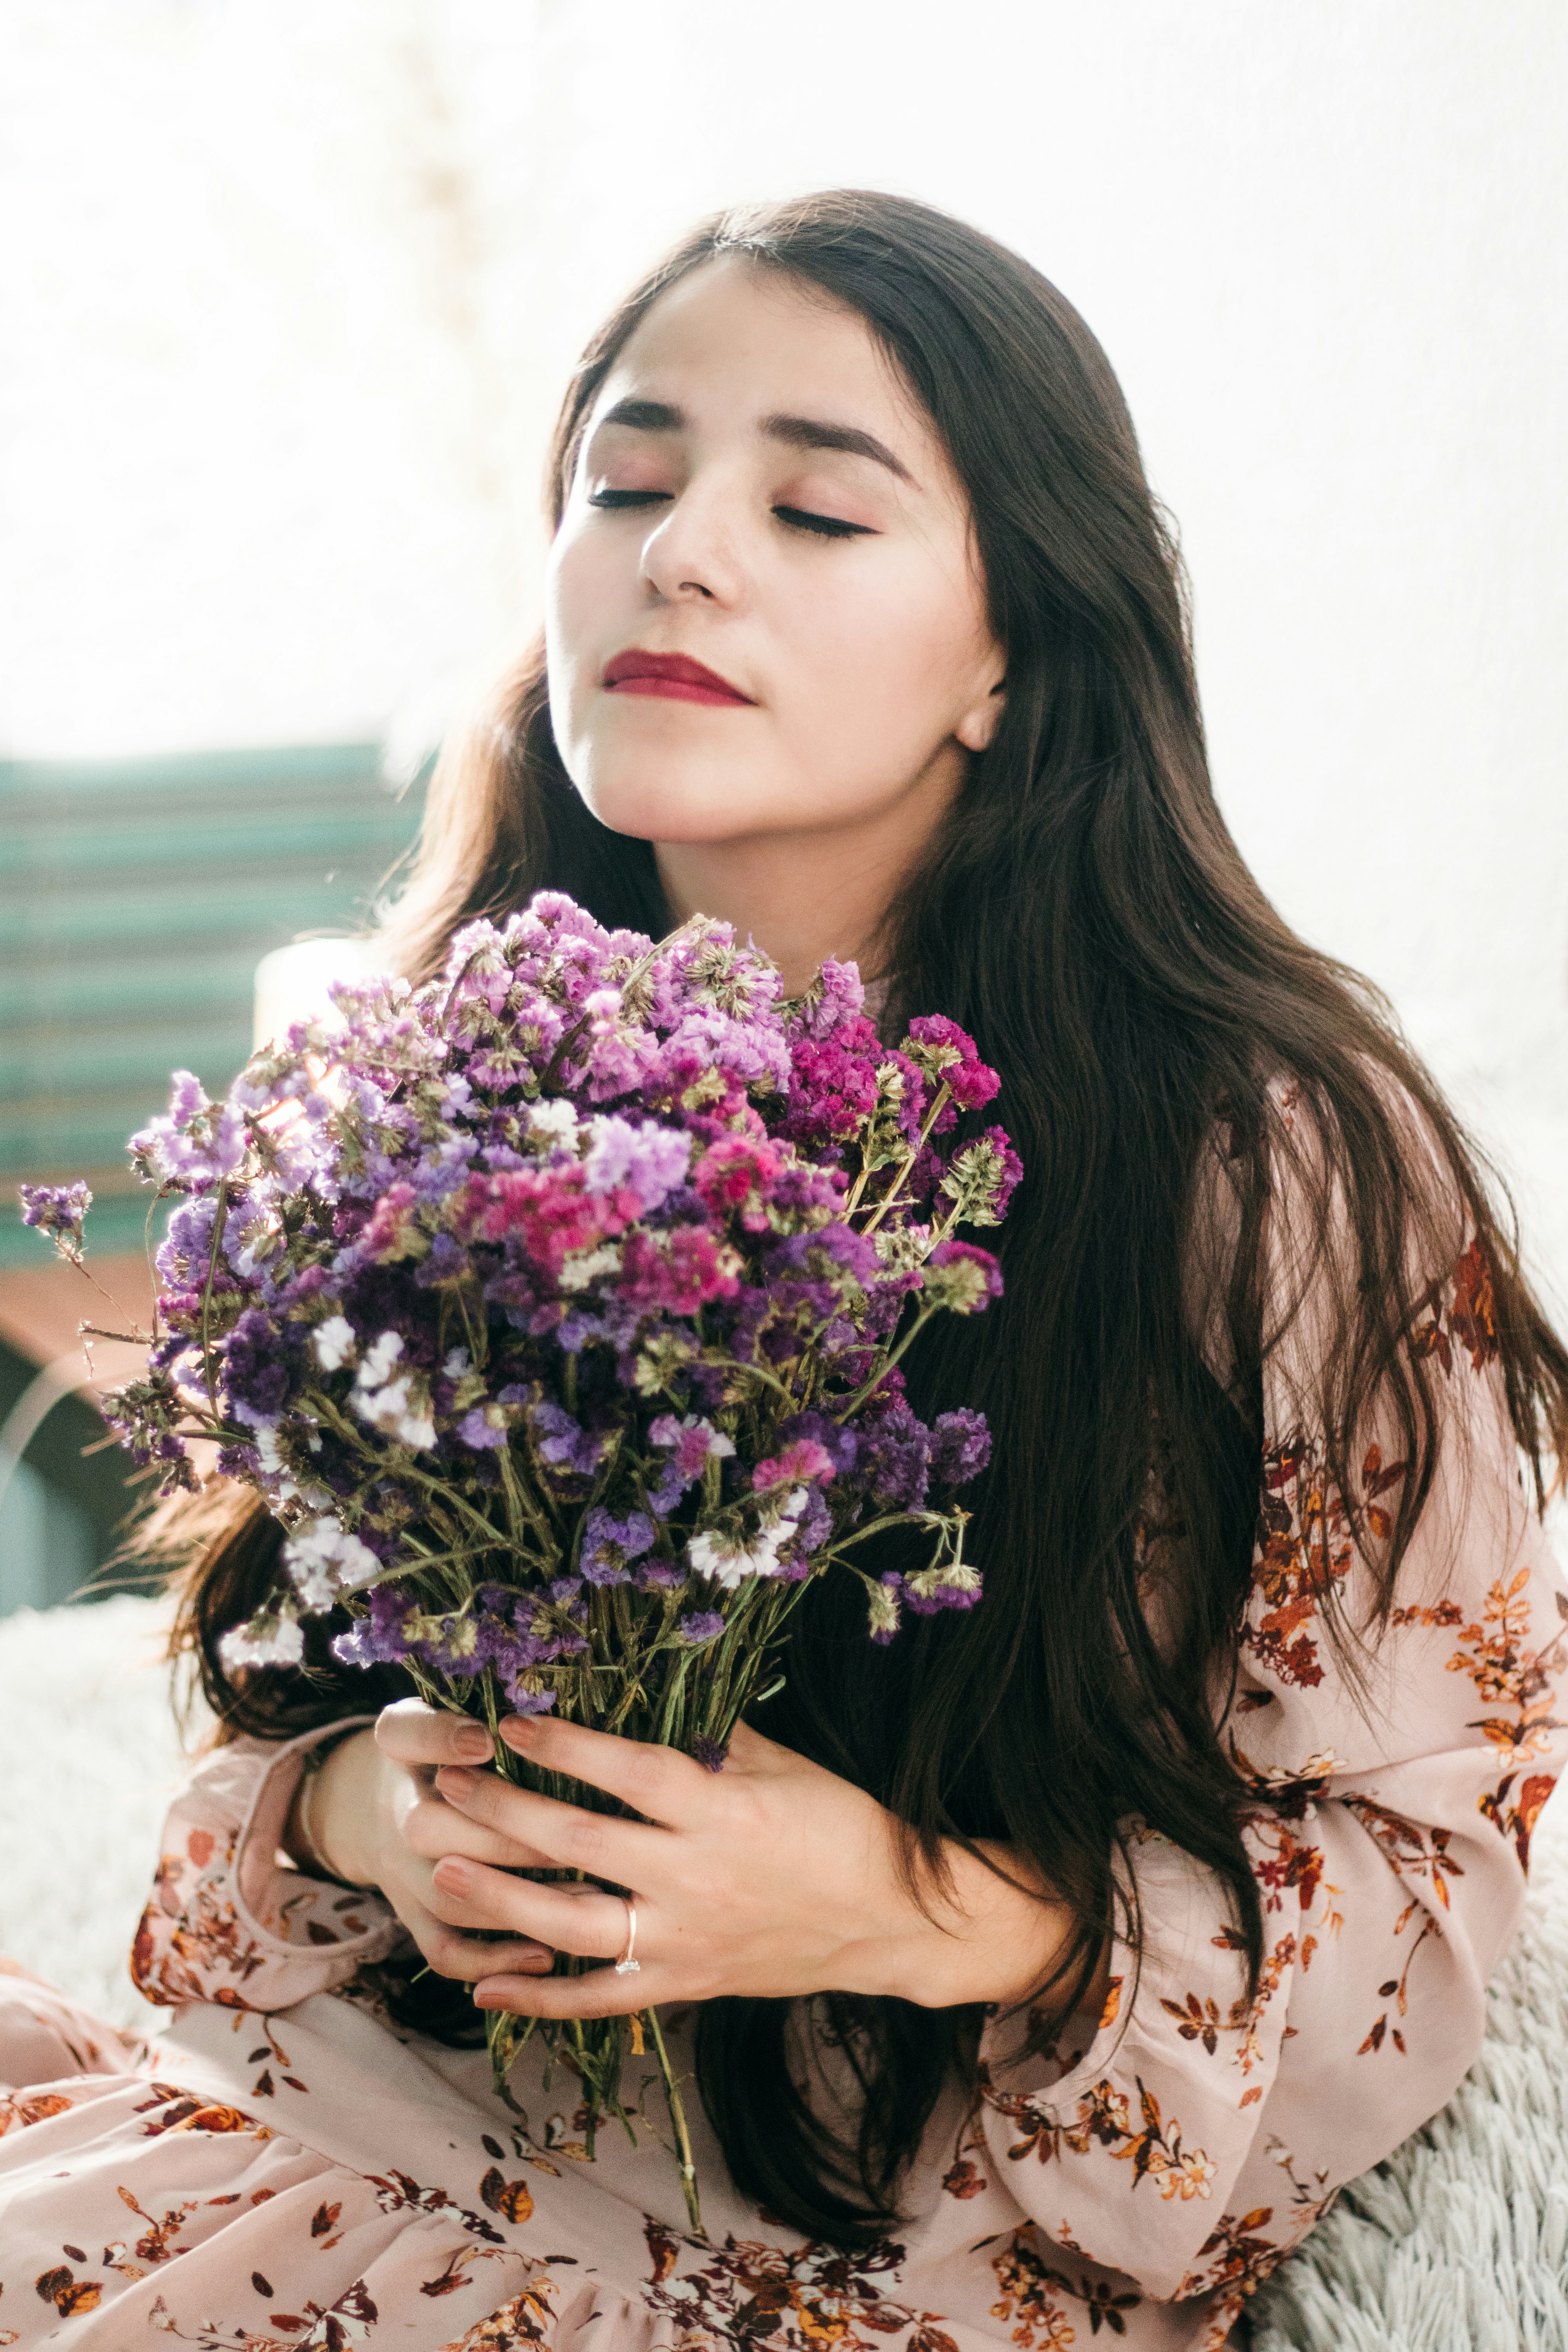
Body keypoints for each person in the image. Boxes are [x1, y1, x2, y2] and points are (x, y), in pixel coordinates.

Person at [2, 189, 1565, 2352]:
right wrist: (377, 1815)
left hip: (827, 2275)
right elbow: (278, 1723)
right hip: (353, 2154)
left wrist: (900, 1906)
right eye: (625, 484)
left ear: (1016, 649)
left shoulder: (1267, 1164)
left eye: (817, 509)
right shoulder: (438, 1096)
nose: (683, 552)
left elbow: (1414, 1909)